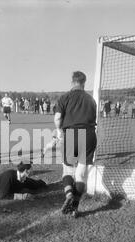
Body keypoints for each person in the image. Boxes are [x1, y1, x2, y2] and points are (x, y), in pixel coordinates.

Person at [54, 71, 97, 218]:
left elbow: (58, 118)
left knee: (67, 171)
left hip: (72, 134)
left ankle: (68, 194)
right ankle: (75, 208)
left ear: (72, 82)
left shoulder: (65, 97)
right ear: (84, 83)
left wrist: (59, 131)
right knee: (81, 174)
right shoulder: (91, 99)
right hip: (90, 135)